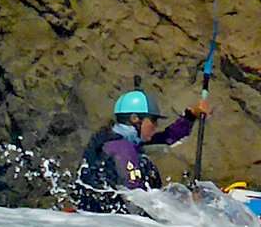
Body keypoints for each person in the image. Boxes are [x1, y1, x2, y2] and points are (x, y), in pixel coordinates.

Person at [74, 89, 210, 213]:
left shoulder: (116, 138)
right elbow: (138, 201)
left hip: (98, 214)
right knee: (146, 165)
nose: (156, 126)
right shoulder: (122, 149)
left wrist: (191, 116)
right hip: (110, 222)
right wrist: (186, 204)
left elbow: (167, 138)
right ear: (135, 119)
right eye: (153, 120)